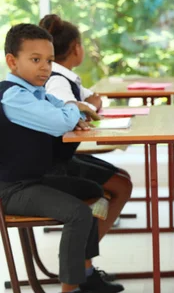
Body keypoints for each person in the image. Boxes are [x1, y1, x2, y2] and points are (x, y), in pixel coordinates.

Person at [0, 24, 124, 293]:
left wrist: (72, 112)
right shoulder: (13, 97)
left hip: (35, 179)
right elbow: (63, 118)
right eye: (35, 59)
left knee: (95, 195)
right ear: (12, 61)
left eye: (49, 60)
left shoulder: (37, 93)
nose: (45, 67)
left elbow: (67, 111)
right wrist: (73, 110)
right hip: (12, 188)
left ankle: (85, 269)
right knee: (77, 212)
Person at [40, 14, 133, 242]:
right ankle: (83, 259)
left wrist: (88, 104)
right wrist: (83, 108)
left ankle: (84, 257)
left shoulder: (63, 76)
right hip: (51, 166)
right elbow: (70, 112)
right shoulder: (58, 81)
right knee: (121, 185)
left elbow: (91, 99)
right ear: (76, 48)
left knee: (123, 180)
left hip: (58, 158)